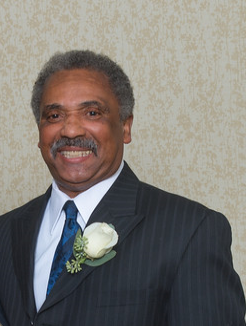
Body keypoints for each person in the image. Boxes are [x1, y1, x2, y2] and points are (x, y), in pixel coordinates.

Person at [0, 50, 245, 326]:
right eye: (54, 115)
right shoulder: (5, 232)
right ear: (39, 131)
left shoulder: (191, 231)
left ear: (126, 126)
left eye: (92, 112)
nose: (70, 131)